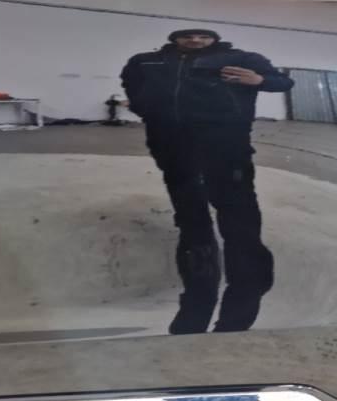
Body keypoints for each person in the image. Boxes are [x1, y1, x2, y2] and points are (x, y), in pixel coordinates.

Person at [120, 29, 294, 334]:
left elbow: (282, 82)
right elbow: (132, 85)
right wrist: (147, 110)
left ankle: (247, 287)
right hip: (171, 146)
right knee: (190, 215)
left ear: (213, 38)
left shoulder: (241, 58)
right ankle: (200, 281)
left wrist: (259, 80)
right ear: (175, 38)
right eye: (189, 36)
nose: (196, 41)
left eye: (203, 36)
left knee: (238, 216)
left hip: (226, 146)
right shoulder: (147, 61)